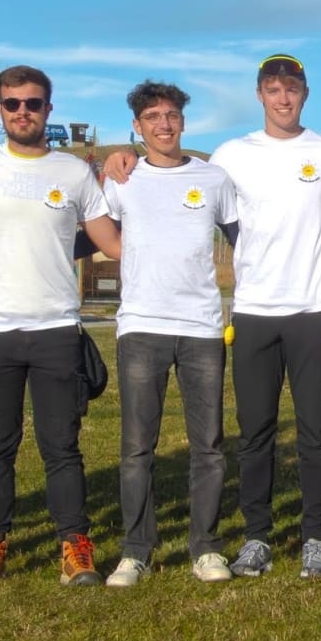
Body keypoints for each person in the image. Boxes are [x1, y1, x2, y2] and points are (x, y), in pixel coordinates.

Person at [104, 54, 321, 579]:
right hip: (254, 310)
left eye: (293, 89)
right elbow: (177, 174)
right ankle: (256, 536)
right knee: (254, 433)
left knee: (315, 432)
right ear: (259, 94)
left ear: (305, 94)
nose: (284, 98)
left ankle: (316, 536)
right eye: (274, 90)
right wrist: (121, 156)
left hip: (315, 310)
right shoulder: (231, 157)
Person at [0, 66, 122, 589]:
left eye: (32, 103)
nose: (22, 111)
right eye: (11, 103)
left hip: (55, 328)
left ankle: (74, 544)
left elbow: (112, 242)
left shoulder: (72, 173)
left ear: (49, 109)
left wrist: (158, 204)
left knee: (62, 446)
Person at [101, 80, 239, 587]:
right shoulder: (123, 178)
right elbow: (100, 231)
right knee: (138, 446)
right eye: (153, 117)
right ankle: (136, 550)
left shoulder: (214, 178)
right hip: (141, 326)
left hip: (202, 327)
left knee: (209, 445)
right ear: (136, 127)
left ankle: (205, 547)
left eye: (172, 115)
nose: (164, 124)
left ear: (183, 122)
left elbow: (242, 241)